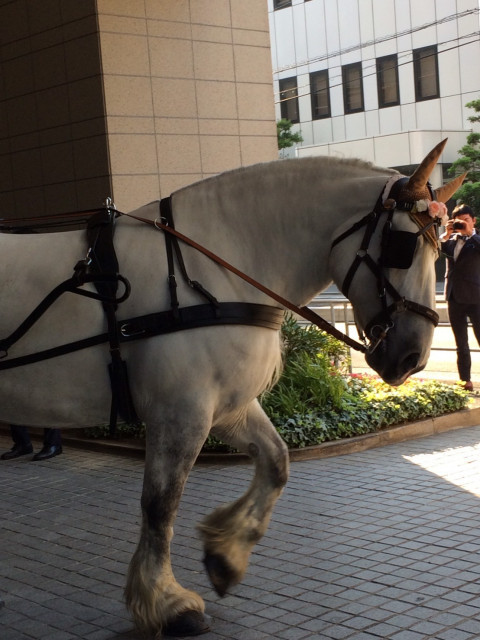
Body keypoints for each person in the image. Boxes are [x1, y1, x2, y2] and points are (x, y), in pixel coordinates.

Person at [440, 203, 480, 391]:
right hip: (454, 296)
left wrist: (471, 233)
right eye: (459, 222)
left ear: (473, 221)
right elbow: (438, 248)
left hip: (476, 298)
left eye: (466, 220)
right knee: (461, 344)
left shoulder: (477, 240)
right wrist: (446, 234)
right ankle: (466, 381)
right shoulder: (452, 240)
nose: (462, 224)